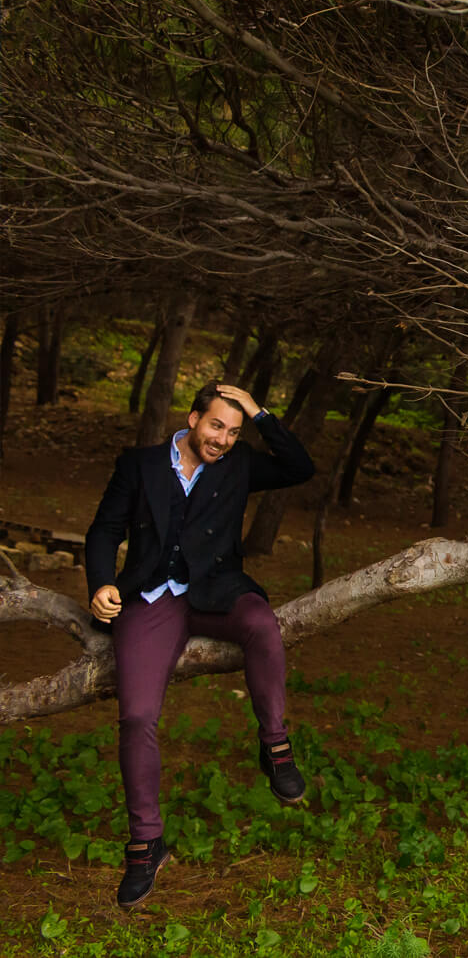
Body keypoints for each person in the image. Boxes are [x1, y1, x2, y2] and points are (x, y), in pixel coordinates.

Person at [86, 381, 316, 909]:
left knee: (263, 624)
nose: (223, 439)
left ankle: (275, 747)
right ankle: (146, 843)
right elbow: (103, 530)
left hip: (217, 591)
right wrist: (101, 583)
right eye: (217, 426)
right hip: (151, 598)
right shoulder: (139, 464)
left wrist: (260, 414)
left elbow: (300, 466)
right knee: (137, 716)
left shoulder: (238, 464)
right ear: (192, 419)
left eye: (233, 432)